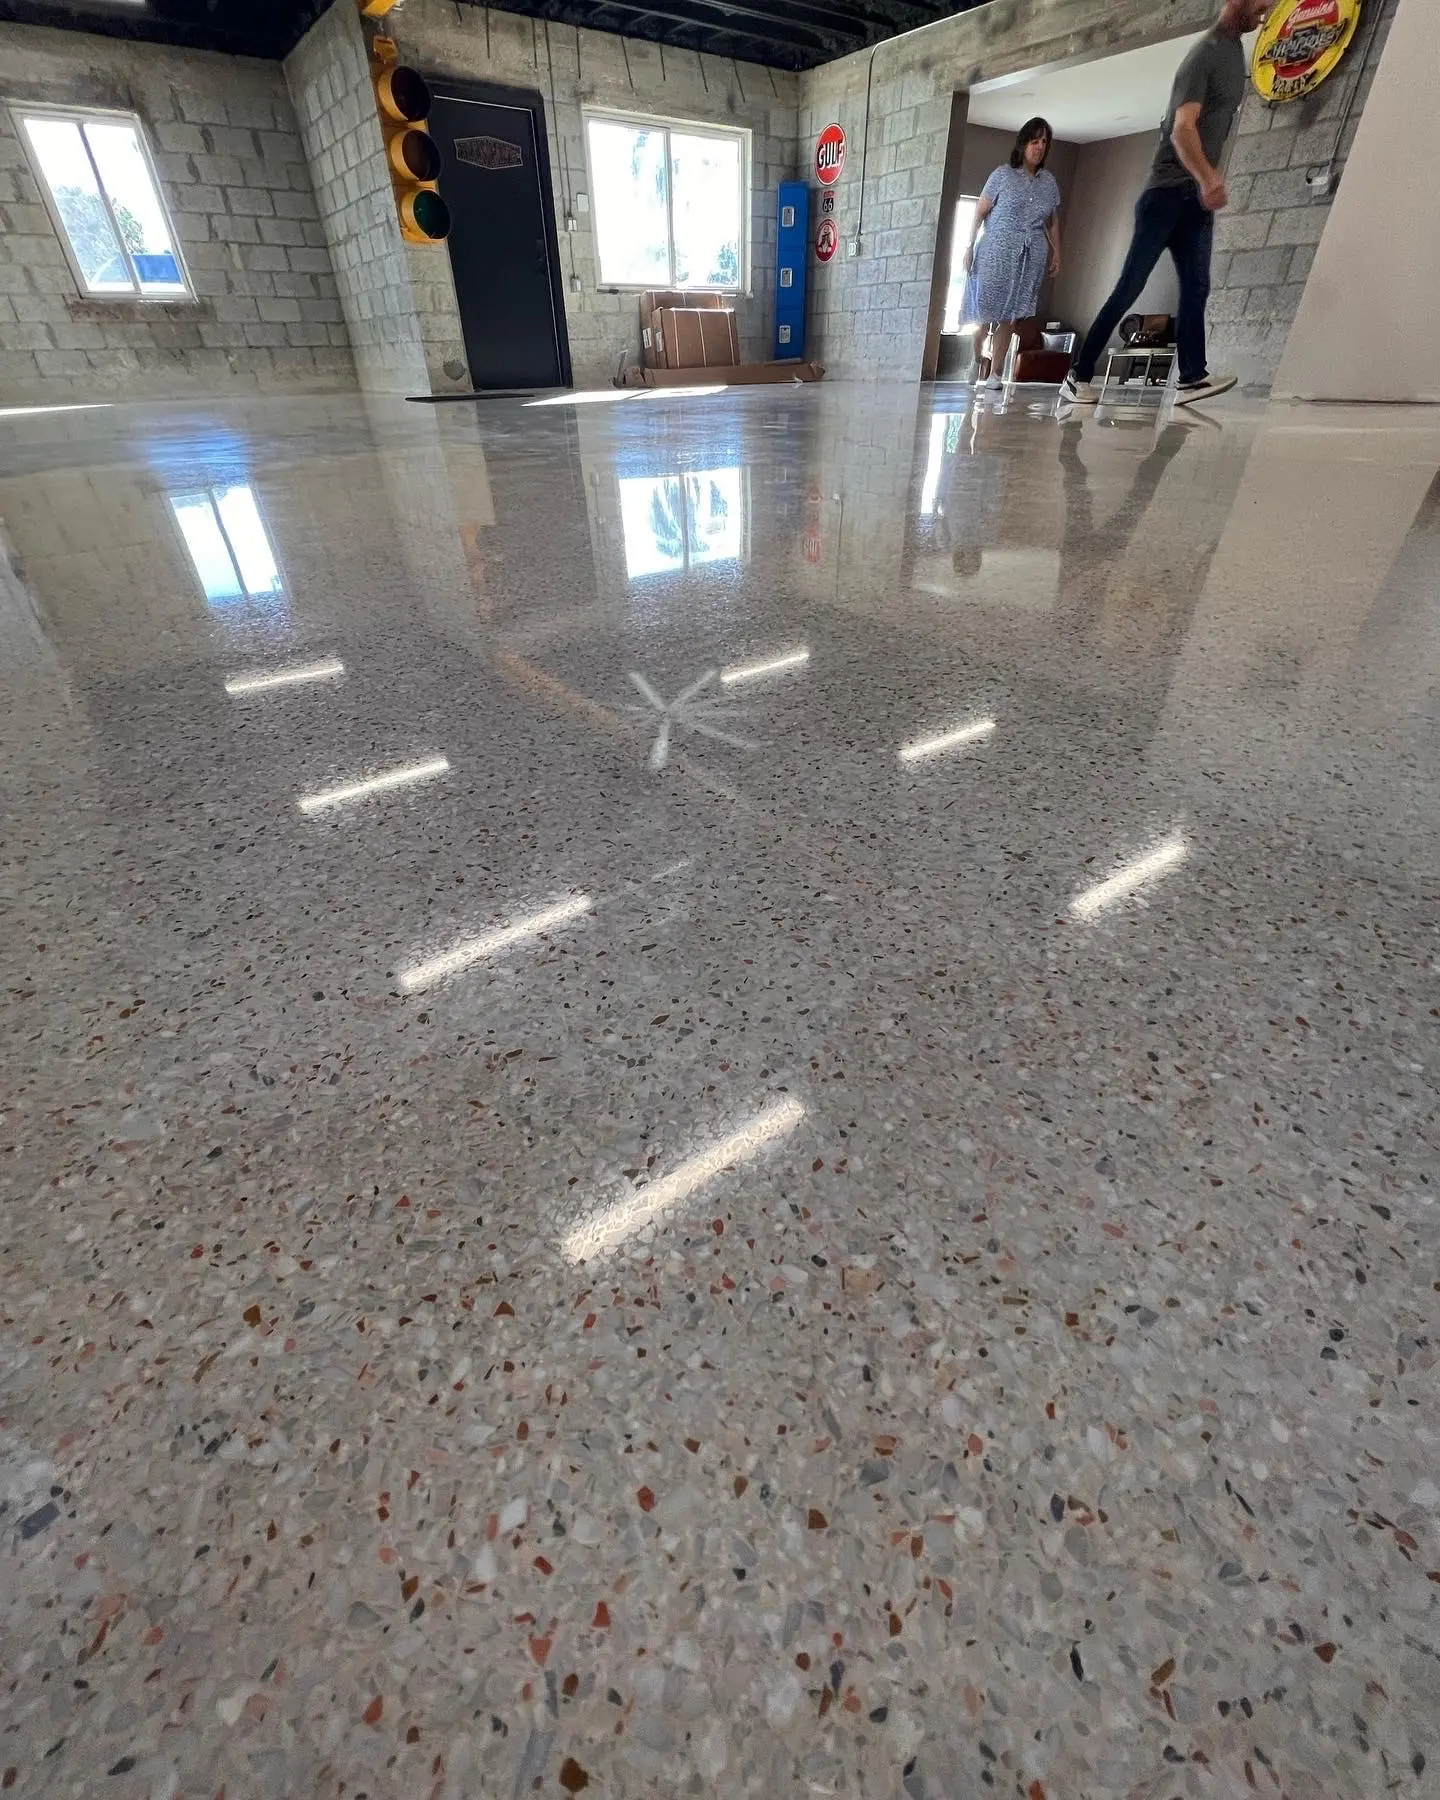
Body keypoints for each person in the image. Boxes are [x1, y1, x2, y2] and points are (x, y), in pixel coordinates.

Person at [1060, 0, 1273, 409]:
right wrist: (1209, 177)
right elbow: (1182, 129)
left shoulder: (1234, 53)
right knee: (1130, 287)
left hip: (1193, 198)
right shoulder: (1203, 55)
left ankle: (1191, 378)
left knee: (1196, 286)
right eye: (1262, 2)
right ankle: (1078, 375)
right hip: (1165, 195)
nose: (1265, 10)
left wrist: (1205, 183)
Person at [961, 118, 1062, 391]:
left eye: (1044, 142)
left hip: (1029, 257)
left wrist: (1057, 252)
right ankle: (975, 360)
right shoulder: (1002, 175)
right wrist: (969, 247)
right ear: (1024, 143)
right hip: (995, 252)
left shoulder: (1048, 182)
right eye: (1035, 141)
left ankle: (995, 373)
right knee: (985, 314)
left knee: (1009, 317)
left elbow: (1052, 221)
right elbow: (979, 212)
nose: (1039, 147)